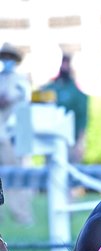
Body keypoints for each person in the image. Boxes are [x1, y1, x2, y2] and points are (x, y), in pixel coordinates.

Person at [0, 42, 34, 225]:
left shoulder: (21, 80)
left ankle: (22, 215)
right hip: (2, 134)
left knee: (17, 176)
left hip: (15, 135)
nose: (6, 61)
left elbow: (23, 103)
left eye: (9, 58)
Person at [42, 53, 89, 163]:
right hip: (52, 140)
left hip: (71, 141)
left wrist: (81, 143)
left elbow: (83, 117)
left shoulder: (76, 91)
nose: (64, 67)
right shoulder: (50, 88)